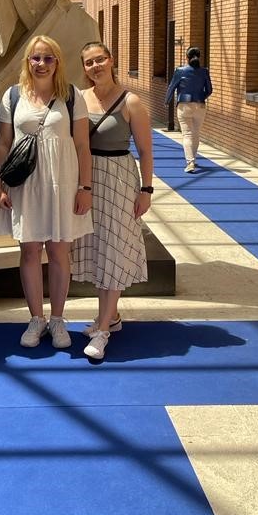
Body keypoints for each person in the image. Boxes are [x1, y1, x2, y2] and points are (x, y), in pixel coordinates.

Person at [0, 35, 93, 349]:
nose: (41, 64)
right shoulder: (13, 96)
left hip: (62, 183)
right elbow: (3, 143)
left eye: (48, 58)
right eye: (35, 58)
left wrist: (85, 187)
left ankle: (58, 319)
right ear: (27, 61)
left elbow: (82, 146)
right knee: (30, 251)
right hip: (26, 185)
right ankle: (36, 318)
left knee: (59, 252)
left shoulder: (72, 95)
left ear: (57, 62)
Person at [73, 42, 154, 360]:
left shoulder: (131, 101)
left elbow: (145, 150)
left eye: (100, 59)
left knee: (114, 247)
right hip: (87, 177)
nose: (95, 66)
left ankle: (103, 329)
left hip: (119, 178)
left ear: (111, 60)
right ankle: (111, 316)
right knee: (98, 248)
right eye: (89, 62)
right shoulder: (80, 98)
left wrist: (146, 190)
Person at [164, 46, 213, 173]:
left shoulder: (180, 71)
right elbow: (209, 90)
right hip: (200, 105)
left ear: (187, 57)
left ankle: (190, 162)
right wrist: (200, 97)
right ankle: (193, 160)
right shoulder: (204, 71)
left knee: (187, 134)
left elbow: (171, 87)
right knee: (195, 133)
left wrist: (167, 101)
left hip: (184, 105)